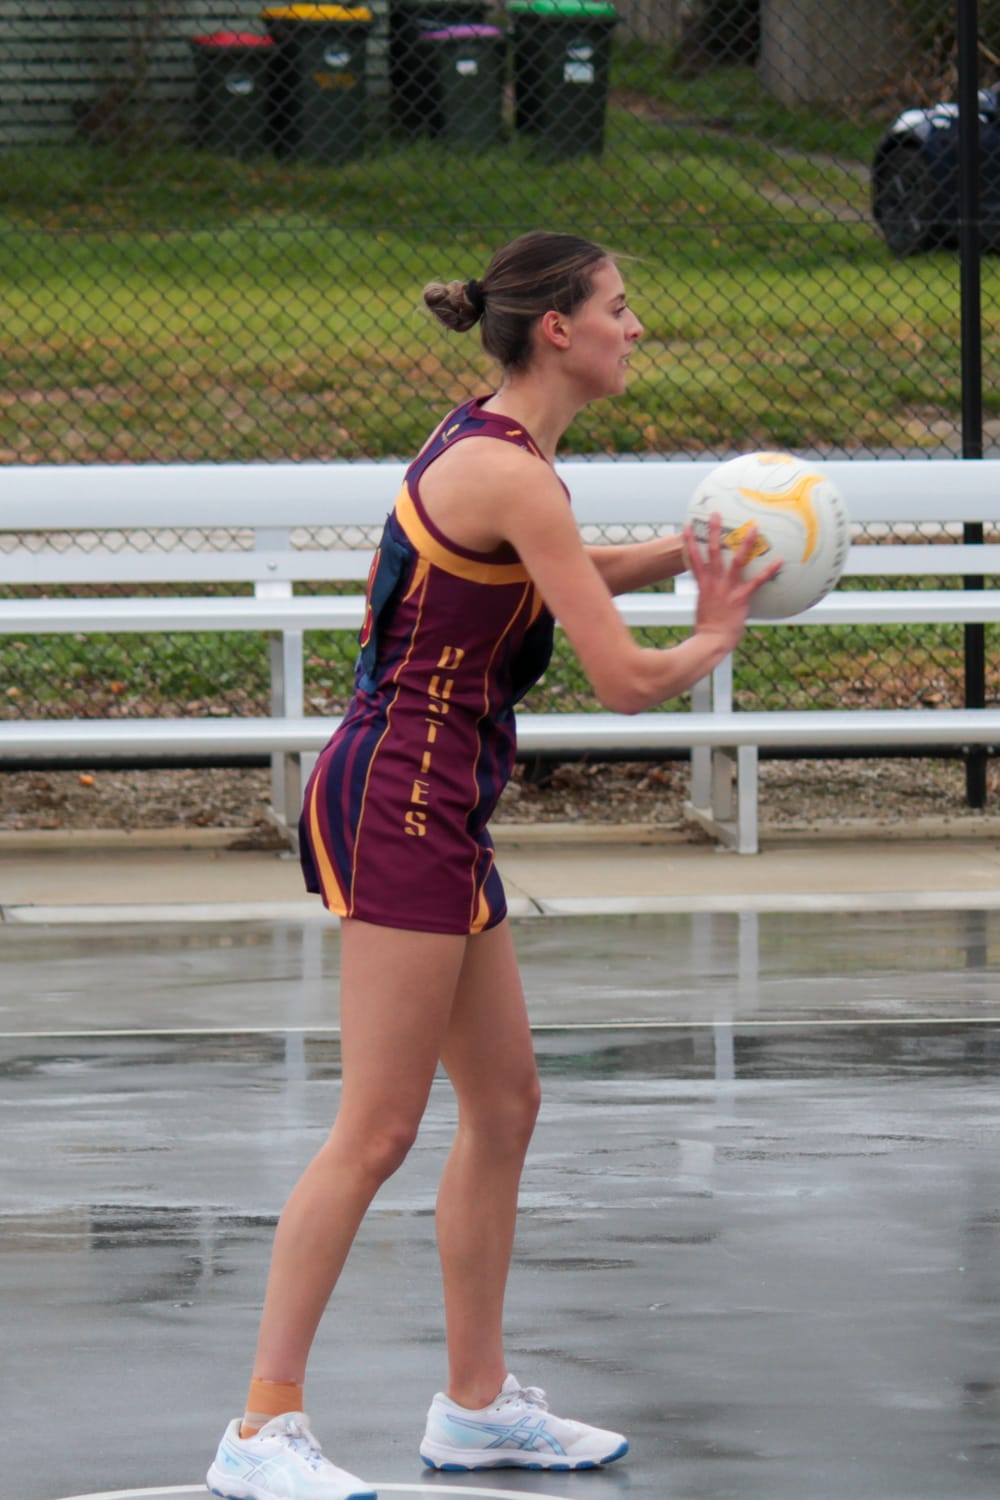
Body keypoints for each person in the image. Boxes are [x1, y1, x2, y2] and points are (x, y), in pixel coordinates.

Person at [206, 230, 778, 1500]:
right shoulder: (508, 472)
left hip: (436, 798)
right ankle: (259, 1429)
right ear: (558, 331)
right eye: (622, 308)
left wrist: (700, 555)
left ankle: (473, 1407)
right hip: (399, 798)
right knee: (378, 1128)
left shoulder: (505, 454)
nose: (639, 327)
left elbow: (562, 573)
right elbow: (627, 680)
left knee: (506, 1104)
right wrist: (721, 627)